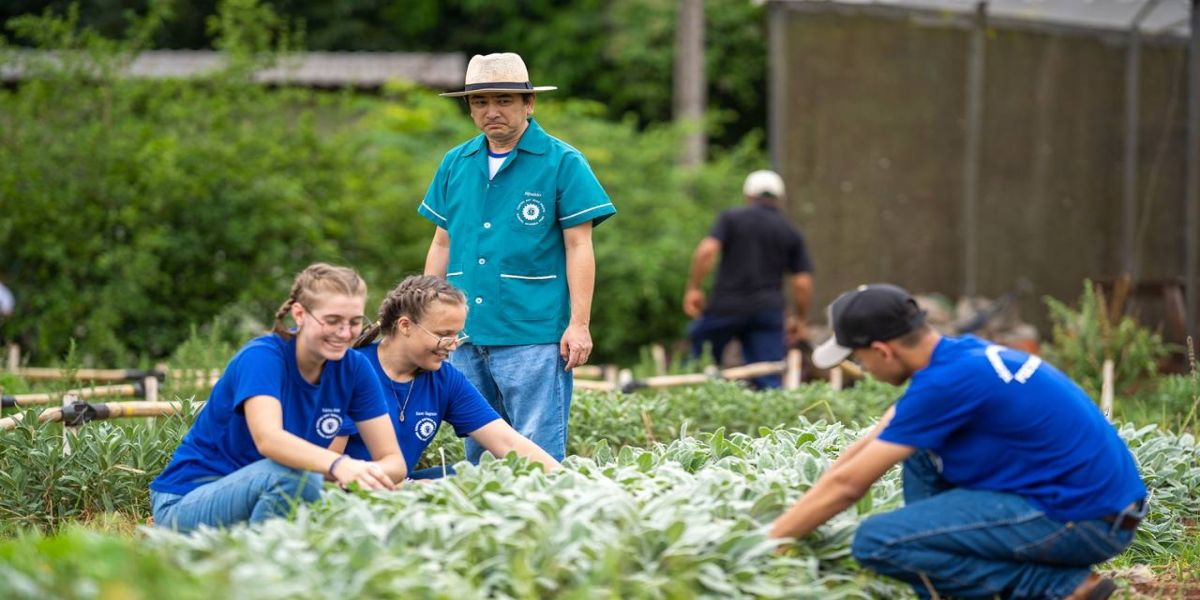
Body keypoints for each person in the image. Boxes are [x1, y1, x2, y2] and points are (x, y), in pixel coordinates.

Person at [767, 283, 1147, 599]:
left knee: (877, 541)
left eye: (861, 358)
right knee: (918, 454)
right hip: (1098, 504)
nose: (864, 369)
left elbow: (850, 486)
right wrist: (802, 507)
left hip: (1086, 519)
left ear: (883, 350)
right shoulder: (959, 355)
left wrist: (767, 542)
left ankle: (1059, 588)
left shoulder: (947, 383)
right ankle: (943, 574)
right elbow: (871, 444)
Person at [420, 52, 615, 463]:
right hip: (466, 333)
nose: (492, 112)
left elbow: (579, 246)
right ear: (470, 108)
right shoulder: (456, 163)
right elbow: (441, 243)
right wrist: (427, 319)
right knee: (479, 454)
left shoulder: (562, 162)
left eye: (504, 100)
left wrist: (579, 324)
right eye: (480, 102)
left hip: (534, 334)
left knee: (537, 455)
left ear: (529, 104)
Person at [150, 263, 407, 532]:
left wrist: (363, 475)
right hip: (186, 501)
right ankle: (263, 567)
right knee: (297, 479)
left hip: (272, 489)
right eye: (332, 321)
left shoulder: (354, 368)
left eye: (355, 322)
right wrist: (339, 465)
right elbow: (268, 439)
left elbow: (393, 461)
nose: (344, 333)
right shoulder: (263, 357)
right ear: (299, 314)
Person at [334, 275, 561, 478]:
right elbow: (328, 469)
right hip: (346, 488)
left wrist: (573, 482)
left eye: (457, 335)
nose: (453, 346)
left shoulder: (445, 379)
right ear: (405, 326)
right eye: (444, 334)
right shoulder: (348, 371)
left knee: (480, 474)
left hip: (399, 483)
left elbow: (507, 441)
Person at [683, 169, 813, 388]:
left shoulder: (731, 218)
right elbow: (802, 282)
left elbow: (707, 251)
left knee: (698, 366)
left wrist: (694, 288)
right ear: (780, 199)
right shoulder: (789, 231)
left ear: (748, 195)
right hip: (767, 311)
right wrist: (800, 319)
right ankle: (772, 417)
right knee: (769, 376)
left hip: (726, 306)